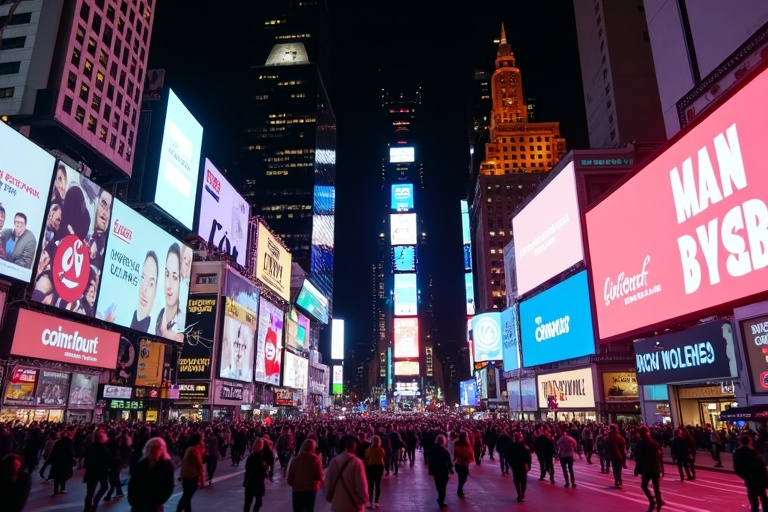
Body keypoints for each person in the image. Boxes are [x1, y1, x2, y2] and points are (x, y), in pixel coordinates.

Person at [127, 437, 175, 512]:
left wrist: (157, 503)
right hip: (137, 505)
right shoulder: (141, 464)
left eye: (157, 447)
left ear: (162, 449)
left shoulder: (167, 466)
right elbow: (132, 483)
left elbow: (168, 487)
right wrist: (132, 500)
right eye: (151, 447)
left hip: (154, 507)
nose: (153, 450)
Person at [324, 435, 368, 512]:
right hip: (353, 504)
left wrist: (329, 496)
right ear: (355, 447)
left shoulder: (334, 462)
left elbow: (328, 481)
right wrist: (363, 500)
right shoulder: (357, 462)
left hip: (337, 503)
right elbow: (361, 484)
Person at [155, 243, 184, 342]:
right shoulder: (159, 315)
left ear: (181, 281)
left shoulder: (182, 320)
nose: (169, 285)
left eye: (175, 277)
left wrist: (166, 334)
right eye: (167, 274)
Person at [287, 438, 324, 512]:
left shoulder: (296, 459)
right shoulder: (315, 459)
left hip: (297, 490)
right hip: (310, 490)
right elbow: (320, 476)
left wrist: (294, 484)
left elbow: (290, 476)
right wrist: (317, 484)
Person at [734, 433, 768, 512]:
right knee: (764, 498)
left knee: (754, 500)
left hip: (750, 480)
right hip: (759, 479)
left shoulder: (737, 453)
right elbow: (762, 467)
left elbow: (737, 468)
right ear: (750, 441)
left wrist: (746, 476)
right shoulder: (754, 453)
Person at [633, 425, 664, 509]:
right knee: (656, 486)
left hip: (646, 468)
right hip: (655, 468)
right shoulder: (655, 443)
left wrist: (636, 469)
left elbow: (638, 458)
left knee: (644, 486)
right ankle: (659, 502)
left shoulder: (639, 443)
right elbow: (659, 457)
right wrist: (661, 469)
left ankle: (652, 500)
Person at [83, 429, 111, 512]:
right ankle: (96, 500)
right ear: (102, 439)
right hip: (101, 471)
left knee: (89, 493)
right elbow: (108, 460)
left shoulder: (90, 447)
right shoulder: (104, 448)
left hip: (91, 471)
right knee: (104, 487)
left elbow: (85, 458)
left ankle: (86, 509)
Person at [131, 251, 158, 332]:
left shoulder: (155, 331)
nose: (144, 289)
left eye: (151, 284)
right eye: (143, 278)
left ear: (155, 291)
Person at [177, 432, 205, 512]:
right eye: (202, 438)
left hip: (185, 474)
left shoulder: (190, 448)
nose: (203, 439)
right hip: (192, 475)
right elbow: (199, 464)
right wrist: (201, 477)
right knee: (187, 497)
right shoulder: (194, 449)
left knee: (187, 496)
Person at [427, 434, 453, 509]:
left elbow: (430, 460)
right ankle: (441, 500)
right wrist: (451, 470)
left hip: (435, 470)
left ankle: (440, 498)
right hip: (443, 470)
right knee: (443, 486)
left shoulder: (432, 449)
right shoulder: (444, 451)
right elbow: (449, 462)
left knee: (438, 485)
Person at [505, 432, 532, 503]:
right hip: (523, 466)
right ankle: (522, 494)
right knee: (523, 481)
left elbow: (508, 457)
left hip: (515, 466)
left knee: (517, 481)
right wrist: (528, 466)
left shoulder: (512, 447)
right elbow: (528, 457)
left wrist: (511, 465)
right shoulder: (525, 447)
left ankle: (519, 494)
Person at [48, 427, 76, 495]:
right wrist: (72, 460)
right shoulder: (69, 443)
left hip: (57, 462)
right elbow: (71, 453)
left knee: (56, 477)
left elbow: (53, 452)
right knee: (64, 476)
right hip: (65, 463)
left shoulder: (58, 442)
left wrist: (50, 460)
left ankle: (56, 490)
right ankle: (62, 488)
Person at [243, 439, 268, 512]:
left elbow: (247, 470)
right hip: (257, 482)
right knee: (258, 502)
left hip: (249, 481)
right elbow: (261, 470)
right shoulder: (261, 457)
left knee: (248, 503)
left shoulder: (251, 457)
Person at [363, 435, 385, 509]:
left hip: (370, 468)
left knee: (370, 485)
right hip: (379, 467)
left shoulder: (368, 450)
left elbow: (366, 460)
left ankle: (370, 502)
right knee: (378, 485)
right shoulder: (381, 450)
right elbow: (384, 457)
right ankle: (376, 502)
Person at [604, 423, 627, 489]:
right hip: (619, 455)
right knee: (618, 469)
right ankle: (619, 480)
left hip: (612, 455)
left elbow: (605, 447)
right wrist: (623, 457)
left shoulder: (607, 438)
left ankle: (617, 480)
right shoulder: (619, 437)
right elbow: (623, 448)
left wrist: (607, 454)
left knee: (614, 468)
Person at [452, 431, 474, 497]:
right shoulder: (467, 444)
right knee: (464, 478)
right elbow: (470, 453)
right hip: (464, 463)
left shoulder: (456, 443)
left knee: (460, 477)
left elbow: (455, 453)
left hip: (458, 463)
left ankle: (460, 489)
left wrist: (454, 459)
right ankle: (459, 489)